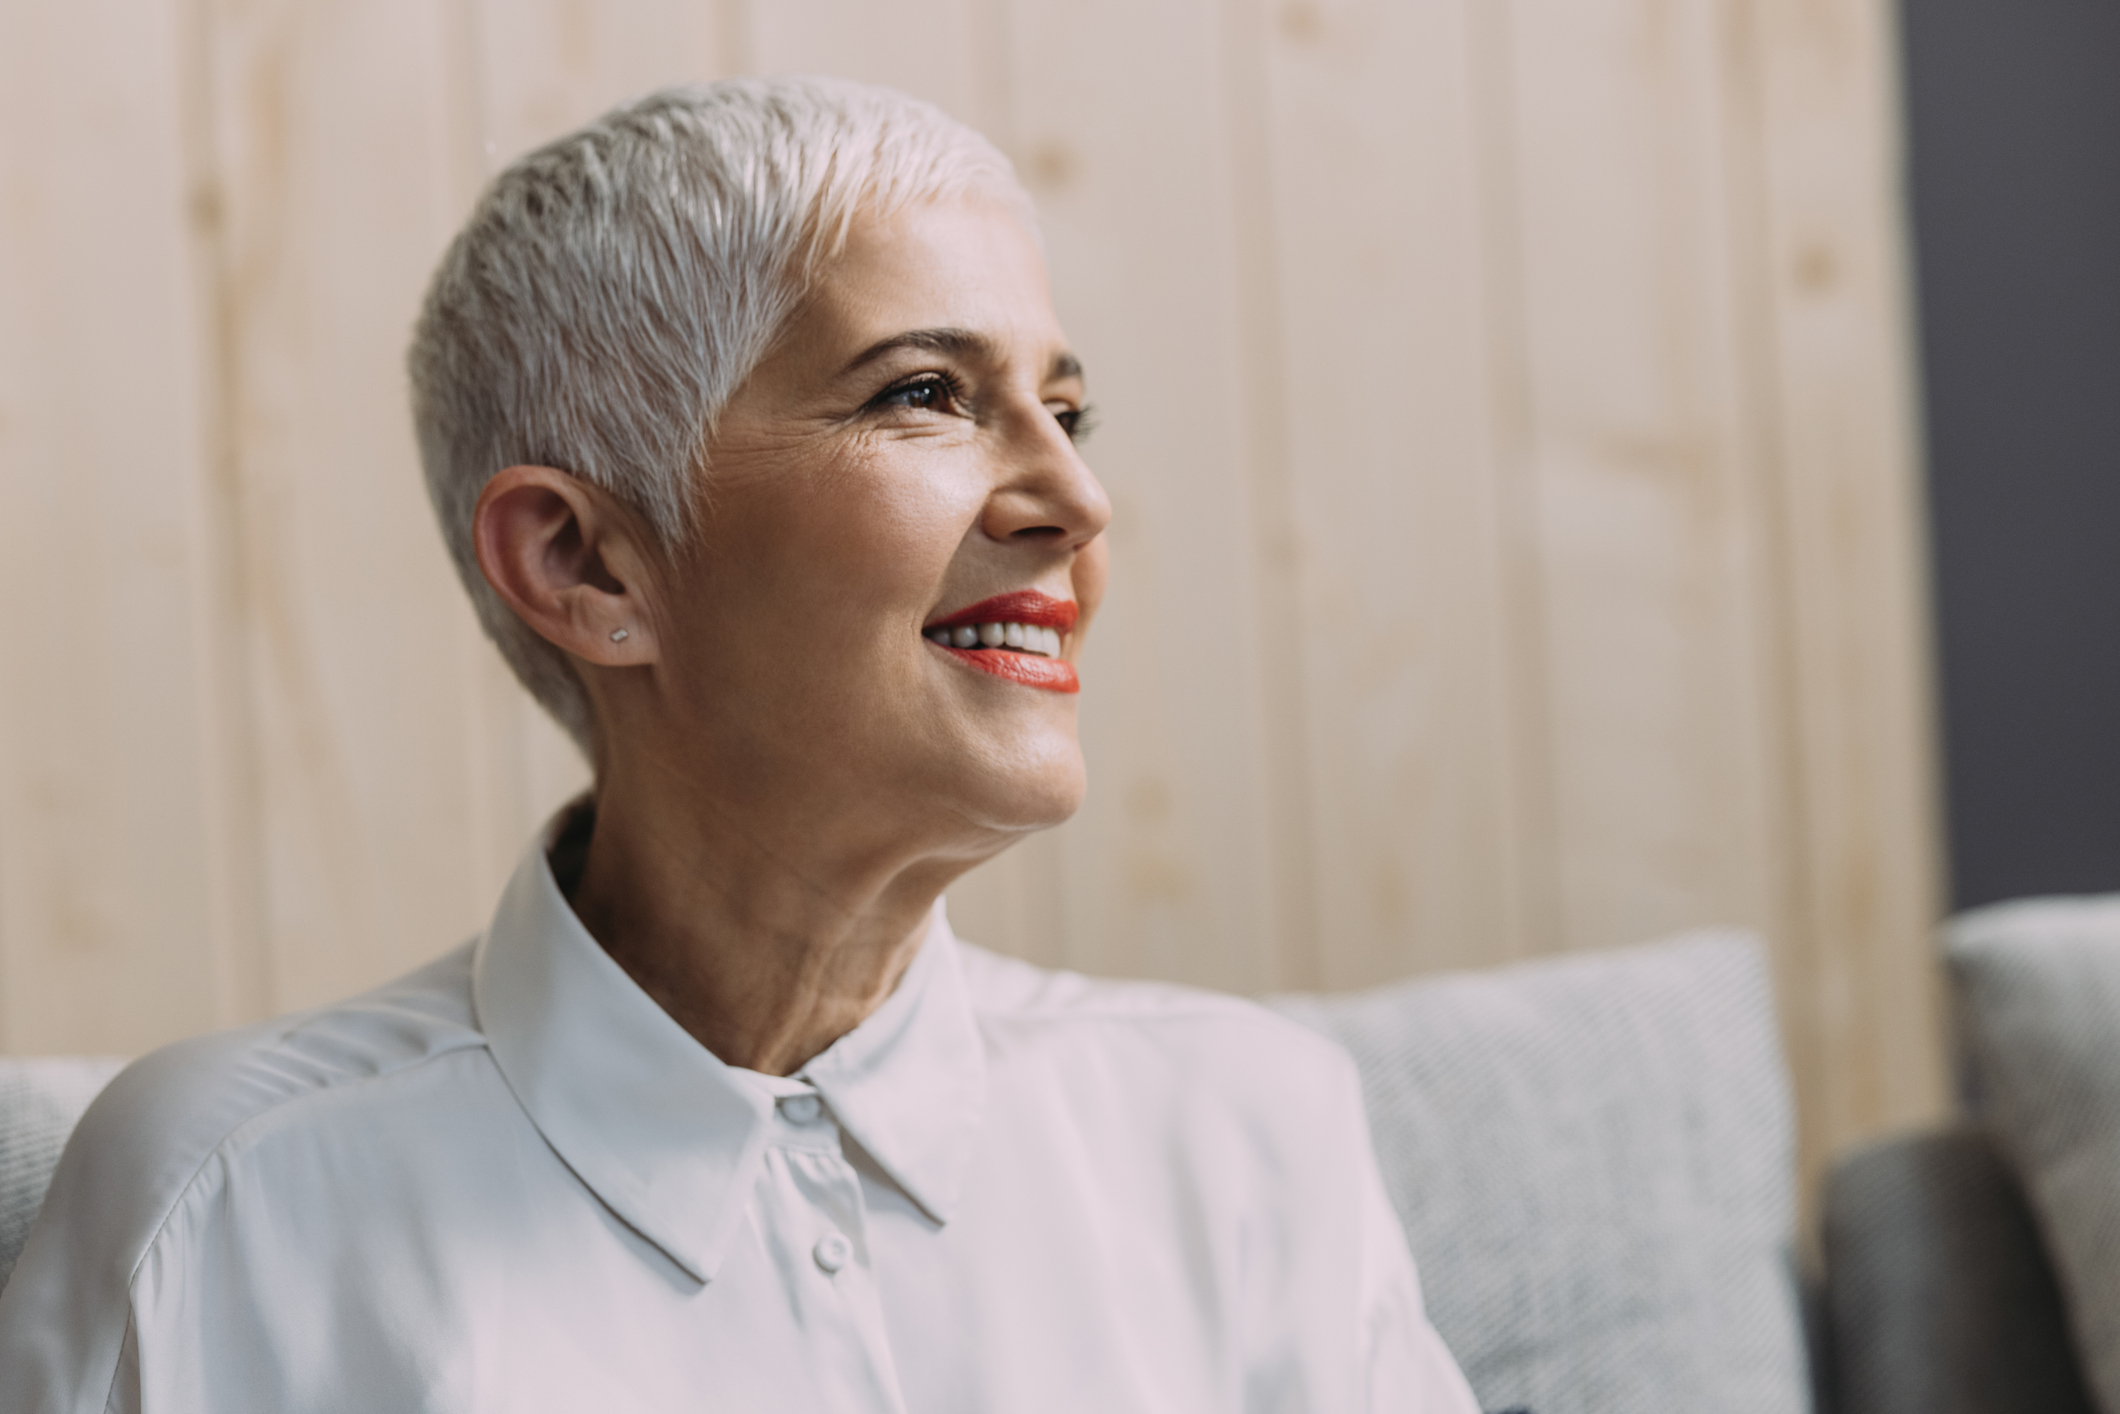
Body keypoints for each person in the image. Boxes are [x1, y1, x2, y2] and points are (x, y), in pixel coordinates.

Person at [0, 77, 1477, 1412]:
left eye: (1069, 407)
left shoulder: (1249, 1129)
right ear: (586, 566)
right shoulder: (218, 1206)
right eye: (926, 394)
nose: (1075, 498)